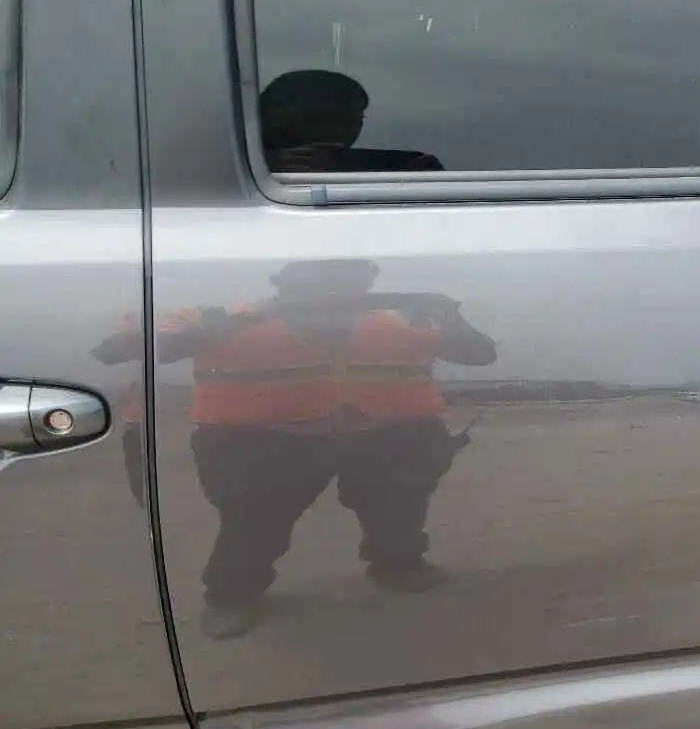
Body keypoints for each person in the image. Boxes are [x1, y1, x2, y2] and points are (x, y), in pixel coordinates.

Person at [155, 260, 497, 638]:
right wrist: (256, 317)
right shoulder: (218, 315)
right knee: (253, 522)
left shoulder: (404, 317)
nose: (338, 292)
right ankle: (230, 597)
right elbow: (164, 348)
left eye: (352, 283)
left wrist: (448, 315)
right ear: (282, 286)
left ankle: (397, 566)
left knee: (398, 508)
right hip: (266, 441)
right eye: (320, 284)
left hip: (385, 436)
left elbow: (479, 354)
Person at [259, 69, 444, 174]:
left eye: (356, 118)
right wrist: (266, 167)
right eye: (330, 118)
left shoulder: (405, 168)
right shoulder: (246, 171)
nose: (346, 129)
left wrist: (425, 180)